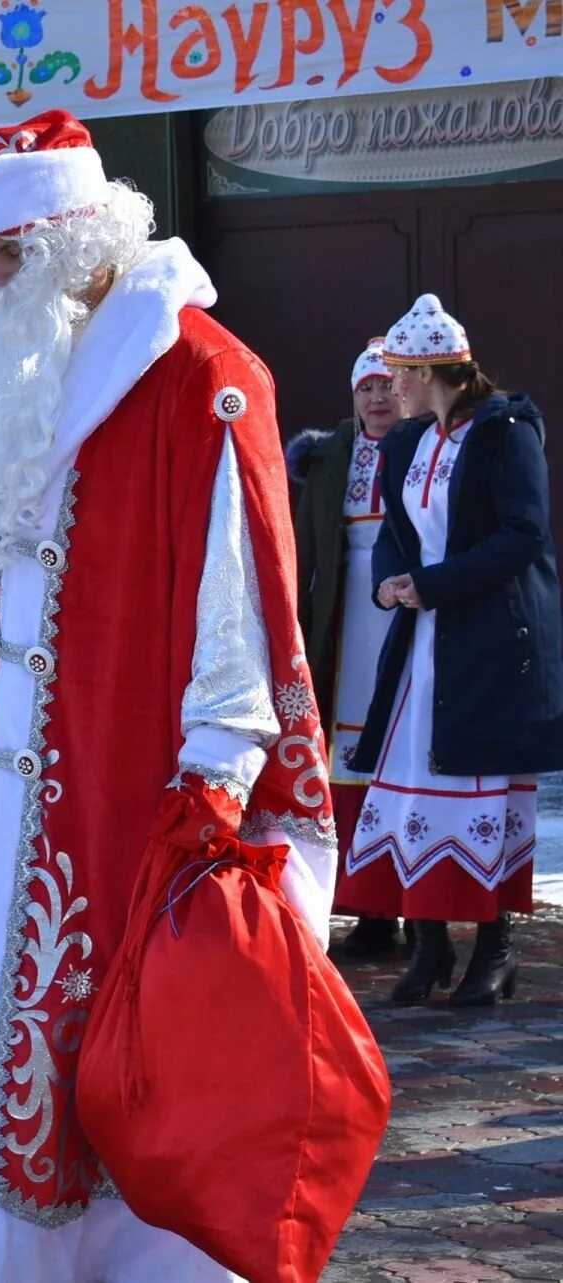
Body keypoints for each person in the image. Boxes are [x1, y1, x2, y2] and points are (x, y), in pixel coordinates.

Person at [0, 109, 335, 1282]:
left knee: (153, 1063)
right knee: (23, 1065)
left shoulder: (206, 376)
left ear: (69, 239)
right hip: (21, 794)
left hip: (138, 784)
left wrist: (215, 778)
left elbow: (242, 603)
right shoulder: (26, 373)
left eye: (2, 262)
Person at [347, 293, 563, 1007]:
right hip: (421, 645)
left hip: (486, 642)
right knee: (408, 784)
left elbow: (523, 533)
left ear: (434, 371)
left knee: (480, 786)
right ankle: (430, 945)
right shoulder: (407, 442)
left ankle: (494, 953)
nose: (388, 388)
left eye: (399, 374)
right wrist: (388, 586)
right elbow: (394, 539)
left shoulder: (506, 433)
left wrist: (434, 584)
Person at [289, 341, 408, 957]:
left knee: (403, 753)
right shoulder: (332, 456)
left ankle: (417, 909)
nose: (378, 398)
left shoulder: (424, 446)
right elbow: (307, 545)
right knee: (348, 754)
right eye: (366, 388)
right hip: (347, 620)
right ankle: (369, 911)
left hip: (409, 617)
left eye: (388, 384)